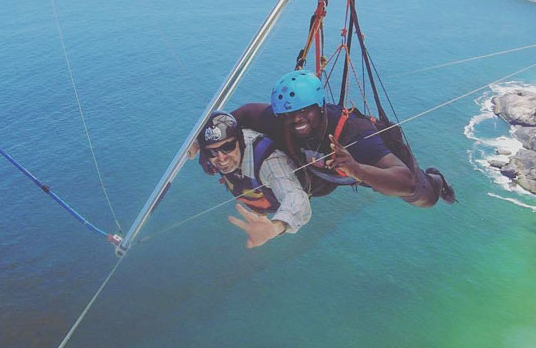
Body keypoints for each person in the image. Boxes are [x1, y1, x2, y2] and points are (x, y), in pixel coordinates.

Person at [232, 69, 455, 206]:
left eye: (304, 111)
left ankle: (437, 180)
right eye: (289, 114)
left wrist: (357, 169)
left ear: (320, 106)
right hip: (327, 174)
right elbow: (246, 113)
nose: (297, 119)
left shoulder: (356, 134)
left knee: (425, 199)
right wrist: (202, 141)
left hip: (369, 166)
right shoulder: (282, 120)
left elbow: (406, 182)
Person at [195, 110, 312, 249]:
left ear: (240, 141)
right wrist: (194, 146)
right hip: (256, 199)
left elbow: (295, 196)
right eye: (212, 152)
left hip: (274, 199)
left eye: (228, 147)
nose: (221, 157)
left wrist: (275, 228)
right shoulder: (211, 157)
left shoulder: (269, 161)